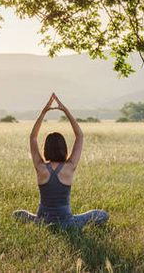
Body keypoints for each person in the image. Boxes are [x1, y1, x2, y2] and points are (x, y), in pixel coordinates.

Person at [13, 92, 109, 229]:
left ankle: (37, 221)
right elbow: (79, 136)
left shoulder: (40, 167)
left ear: (46, 149)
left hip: (42, 221)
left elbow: (33, 137)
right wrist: (65, 110)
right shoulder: (70, 167)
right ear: (64, 148)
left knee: (18, 214)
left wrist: (44, 112)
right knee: (102, 214)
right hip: (67, 222)